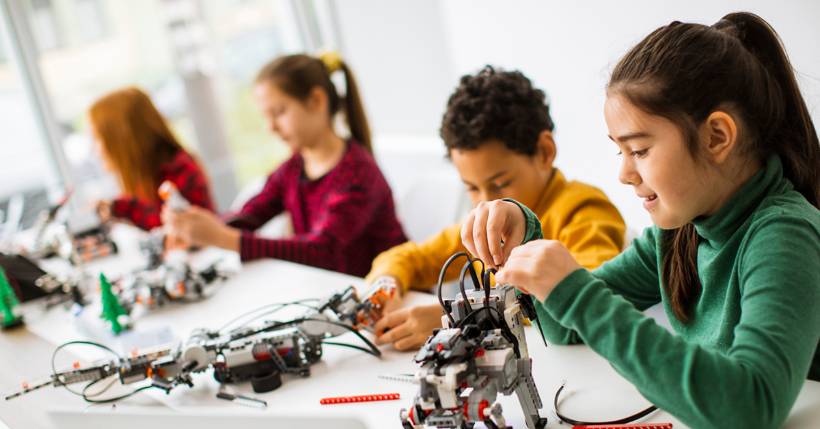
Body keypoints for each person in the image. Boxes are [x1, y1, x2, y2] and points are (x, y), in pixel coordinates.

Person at [461, 13, 819, 429]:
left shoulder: (785, 236)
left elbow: (752, 407)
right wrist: (527, 239)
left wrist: (576, 293)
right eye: (620, 152)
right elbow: (566, 328)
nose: (625, 174)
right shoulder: (677, 235)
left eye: (640, 150)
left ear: (717, 137)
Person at [371, 67, 625, 350]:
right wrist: (385, 286)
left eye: (500, 183)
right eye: (471, 187)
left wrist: (463, 317)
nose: (484, 201)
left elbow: (586, 296)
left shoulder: (583, 209)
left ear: (544, 152)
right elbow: (409, 258)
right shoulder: (488, 222)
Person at [163, 53, 407, 277]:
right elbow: (251, 214)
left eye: (279, 112)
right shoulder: (293, 168)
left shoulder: (358, 173)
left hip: (393, 300)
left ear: (316, 101)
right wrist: (198, 230)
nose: (271, 127)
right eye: (266, 117)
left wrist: (223, 237)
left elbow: (322, 252)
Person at [90, 87, 214, 230]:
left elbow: (176, 229)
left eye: (97, 139)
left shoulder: (180, 170)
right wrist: (114, 207)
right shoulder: (145, 178)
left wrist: (119, 208)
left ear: (123, 139)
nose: (95, 149)